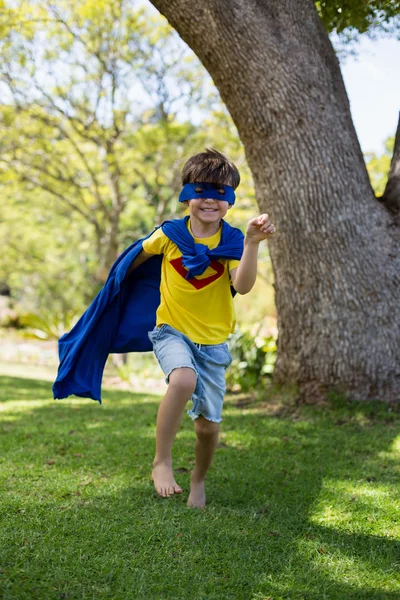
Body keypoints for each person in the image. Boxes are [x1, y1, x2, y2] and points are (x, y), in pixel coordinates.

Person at [128, 148, 276, 508]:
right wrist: (120, 293)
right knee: (182, 379)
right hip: (171, 330)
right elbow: (135, 259)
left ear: (230, 200)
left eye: (220, 192)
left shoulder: (231, 243)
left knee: (207, 428)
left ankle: (198, 479)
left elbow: (241, 286)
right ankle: (161, 462)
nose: (210, 199)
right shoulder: (169, 235)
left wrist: (252, 244)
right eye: (201, 191)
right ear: (186, 195)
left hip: (212, 344)